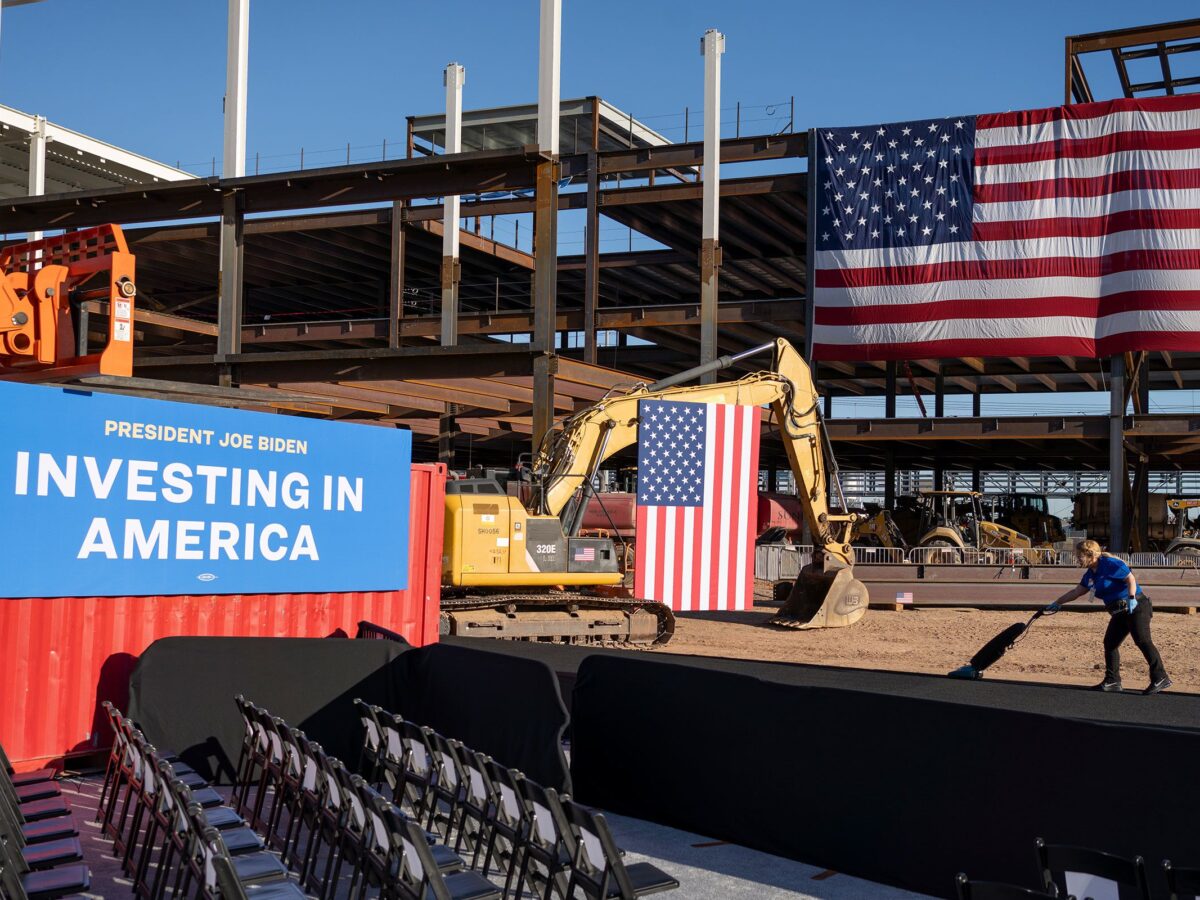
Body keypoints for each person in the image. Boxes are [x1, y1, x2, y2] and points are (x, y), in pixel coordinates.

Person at [1047, 539, 1171, 694]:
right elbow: (1077, 591)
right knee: (1110, 643)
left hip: (1136, 606)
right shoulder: (1090, 574)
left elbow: (1130, 579)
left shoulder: (1109, 564)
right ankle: (1113, 681)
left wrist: (1132, 598)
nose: (1077, 559)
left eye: (1079, 556)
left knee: (1142, 640)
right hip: (1119, 612)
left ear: (1090, 554)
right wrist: (1058, 602)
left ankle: (1160, 676)